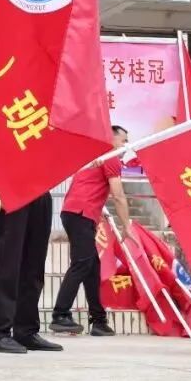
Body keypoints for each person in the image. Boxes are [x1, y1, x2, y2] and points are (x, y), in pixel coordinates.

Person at [50, 125, 135, 337]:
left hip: (77, 212)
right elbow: (118, 195)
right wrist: (127, 226)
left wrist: (97, 213)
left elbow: (88, 188)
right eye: (123, 141)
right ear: (112, 138)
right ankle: (60, 314)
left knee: (91, 267)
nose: (125, 146)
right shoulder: (110, 156)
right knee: (82, 263)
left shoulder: (95, 157)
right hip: (79, 213)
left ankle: (98, 320)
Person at [0, 156, 61, 354]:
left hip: (40, 192)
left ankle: (26, 331)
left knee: (34, 266)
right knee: (6, 264)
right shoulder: (0, 123)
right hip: (10, 192)